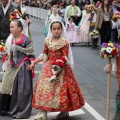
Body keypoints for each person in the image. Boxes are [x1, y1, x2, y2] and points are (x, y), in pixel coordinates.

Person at [28, 20, 85, 120]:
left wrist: (59, 66)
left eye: (58, 29)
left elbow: (65, 56)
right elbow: (44, 54)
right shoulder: (47, 41)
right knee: (44, 88)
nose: (56, 31)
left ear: (62, 30)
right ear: (51, 30)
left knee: (62, 90)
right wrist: (34, 62)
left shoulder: (64, 42)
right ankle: (43, 112)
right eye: (54, 29)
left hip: (61, 68)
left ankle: (64, 111)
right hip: (48, 67)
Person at [0, 18, 35, 118]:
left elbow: (31, 53)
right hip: (11, 65)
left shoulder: (26, 39)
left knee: (21, 90)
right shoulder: (10, 38)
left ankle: (22, 112)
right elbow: (8, 52)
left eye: (12, 27)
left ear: (19, 28)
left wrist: (32, 64)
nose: (10, 28)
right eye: (10, 26)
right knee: (5, 86)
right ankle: (6, 108)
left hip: (23, 65)